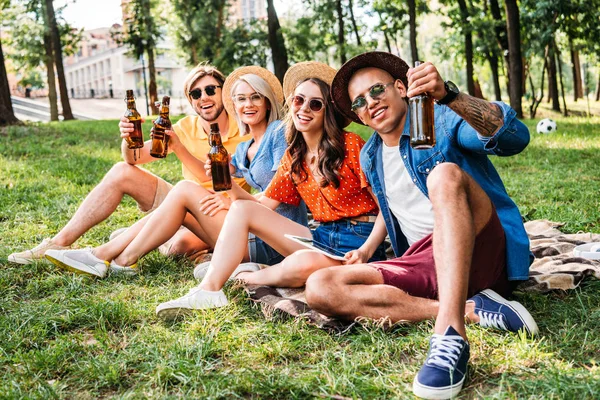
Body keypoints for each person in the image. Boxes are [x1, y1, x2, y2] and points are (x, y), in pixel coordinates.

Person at [299, 51, 538, 399]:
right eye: (360, 102)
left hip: (481, 243)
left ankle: (450, 334)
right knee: (320, 287)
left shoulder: (440, 118)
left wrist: (450, 96)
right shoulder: (370, 156)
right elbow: (389, 205)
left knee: (442, 176)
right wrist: (366, 250)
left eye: (377, 90)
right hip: (426, 260)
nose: (371, 103)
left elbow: (514, 138)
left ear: (401, 88)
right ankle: (473, 309)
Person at [154, 61, 387, 320]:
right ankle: (209, 290)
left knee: (302, 265)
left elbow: (386, 207)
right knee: (244, 208)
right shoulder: (294, 155)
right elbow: (263, 205)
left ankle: (243, 276)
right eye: (299, 100)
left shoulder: (351, 144)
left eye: (315, 104)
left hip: (359, 240)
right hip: (321, 237)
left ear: (327, 111)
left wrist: (366, 250)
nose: (304, 109)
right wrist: (229, 191)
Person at [44, 66, 308, 279]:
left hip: (270, 240)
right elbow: (215, 175)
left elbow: (278, 196)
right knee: (179, 191)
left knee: (181, 212)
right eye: (240, 99)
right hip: (239, 225)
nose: (247, 104)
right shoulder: (245, 147)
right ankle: (115, 258)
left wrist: (230, 197)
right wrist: (129, 138)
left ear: (266, 100)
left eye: (254, 97)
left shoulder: (277, 133)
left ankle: (110, 254)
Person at [8, 63, 251, 266]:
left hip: (220, 211)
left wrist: (178, 148)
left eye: (210, 89)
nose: (204, 98)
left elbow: (216, 179)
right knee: (121, 171)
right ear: (190, 101)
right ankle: (58, 242)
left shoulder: (245, 130)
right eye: (196, 94)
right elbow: (133, 159)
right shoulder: (185, 127)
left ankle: (142, 235)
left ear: (224, 92)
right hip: (181, 199)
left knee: (177, 249)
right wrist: (128, 139)